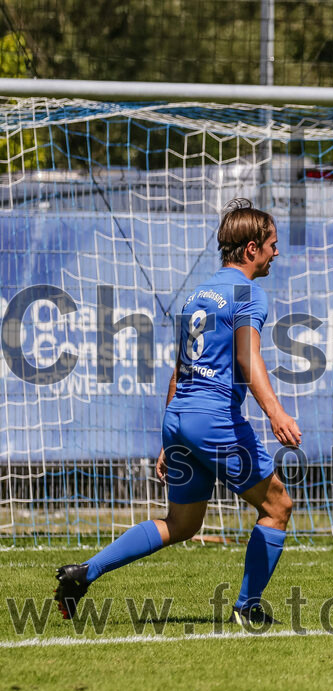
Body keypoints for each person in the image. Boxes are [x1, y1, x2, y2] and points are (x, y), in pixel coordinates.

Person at [53, 198, 301, 628]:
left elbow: (179, 372)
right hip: (213, 420)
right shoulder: (249, 294)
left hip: (180, 417)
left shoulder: (197, 296)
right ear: (251, 249)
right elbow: (248, 357)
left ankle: (84, 573)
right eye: (272, 245)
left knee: (182, 524)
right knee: (278, 505)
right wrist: (276, 413)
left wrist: (171, 441)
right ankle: (247, 607)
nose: (276, 252)